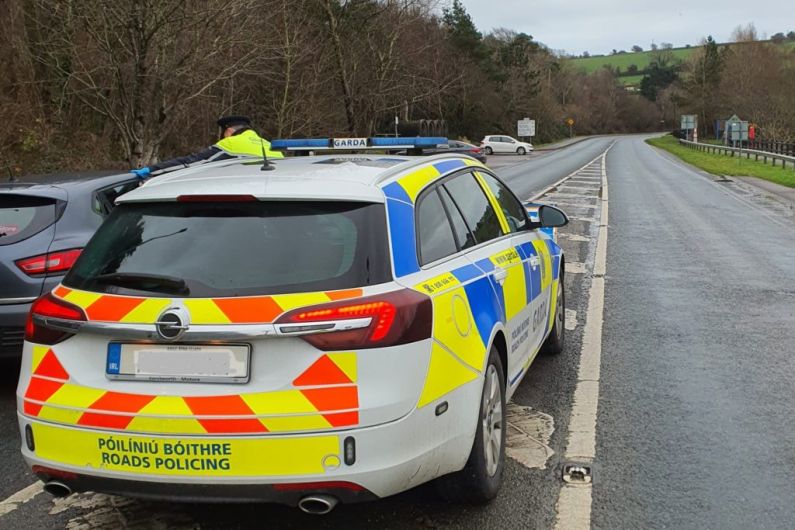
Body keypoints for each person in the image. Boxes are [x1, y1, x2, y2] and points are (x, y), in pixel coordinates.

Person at [130, 116, 283, 179]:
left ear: (229, 131)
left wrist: (151, 170)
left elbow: (192, 162)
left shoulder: (231, 144)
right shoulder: (269, 146)